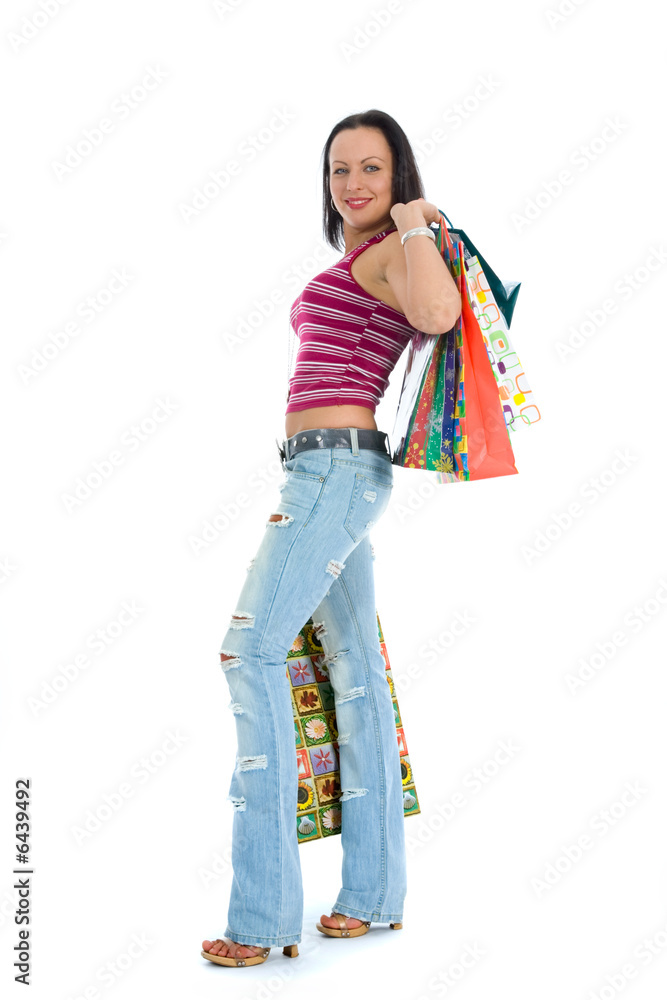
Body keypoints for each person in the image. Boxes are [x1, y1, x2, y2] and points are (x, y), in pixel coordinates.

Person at [201, 109, 461, 968]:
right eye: (338, 169)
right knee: (354, 679)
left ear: (399, 179)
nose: (352, 184)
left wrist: (418, 222)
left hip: (334, 475)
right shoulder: (352, 259)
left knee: (250, 654)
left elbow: (436, 311)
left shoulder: (395, 245)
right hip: (325, 472)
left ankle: (262, 914)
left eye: (372, 169)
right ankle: (374, 896)